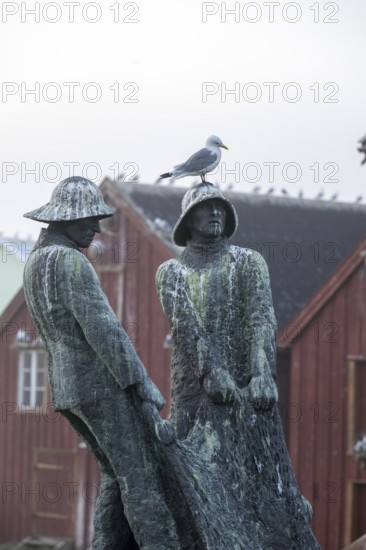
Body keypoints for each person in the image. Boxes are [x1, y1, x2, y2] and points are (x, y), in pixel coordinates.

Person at [156, 182, 321, 549]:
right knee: (199, 482)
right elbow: (186, 328)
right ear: (188, 219)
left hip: (250, 395)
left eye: (221, 208)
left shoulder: (248, 263)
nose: (215, 213)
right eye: (205, 208)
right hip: (195, 398)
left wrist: (263, 373)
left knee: (265, 484)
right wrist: (212, 374)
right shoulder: (171, 273)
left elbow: (260, 318)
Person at [23, 176, 180, 550]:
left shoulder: (36, 262)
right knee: (139, 475)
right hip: (99, 385)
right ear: (66, 219)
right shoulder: (69, 262)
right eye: (89, 219)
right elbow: (104, 330)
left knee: (115, 472)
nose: (96, 227)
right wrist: (140, 382)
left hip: (67, 389)